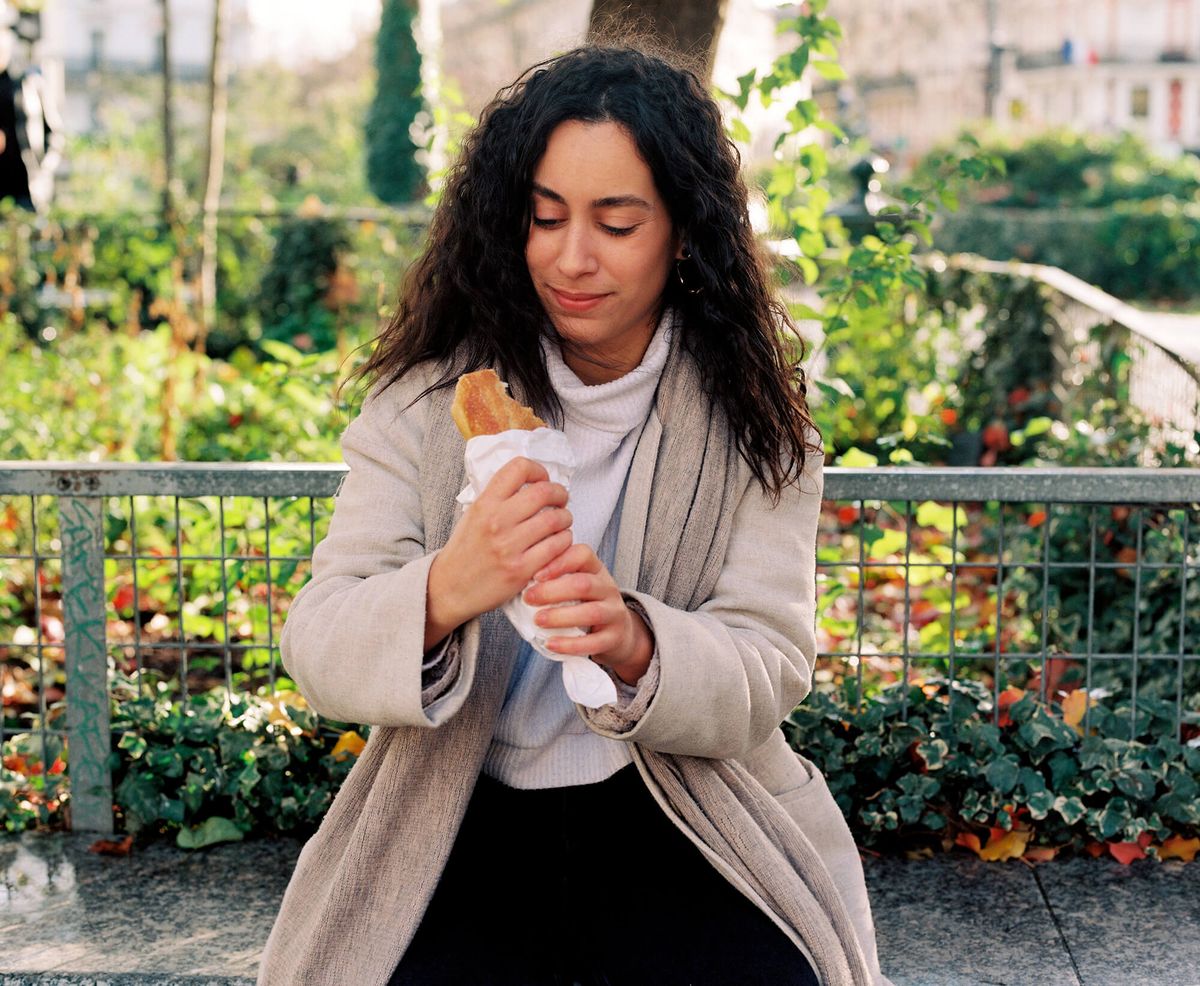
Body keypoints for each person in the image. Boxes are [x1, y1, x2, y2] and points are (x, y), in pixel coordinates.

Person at [258, 43, 891, 986]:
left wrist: (638, 643)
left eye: (617, 222)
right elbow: (317, 642)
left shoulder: (758, 426)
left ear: (684, 232)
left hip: (690, 806)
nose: (572, 256)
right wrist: (448, 588)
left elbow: (770, 665)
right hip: (455, 806)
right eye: (544, 217)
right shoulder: (428, 404)